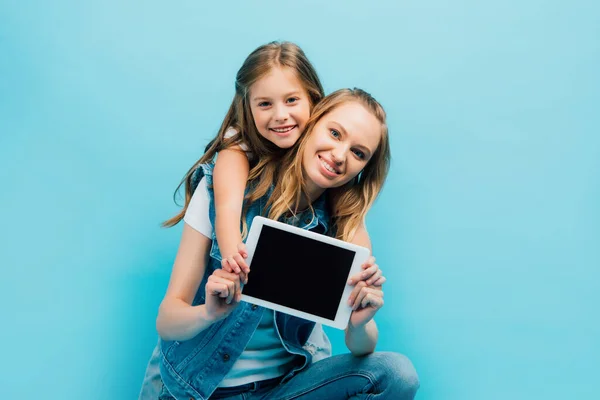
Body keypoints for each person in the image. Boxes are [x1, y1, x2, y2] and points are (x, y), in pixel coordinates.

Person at [139, 88, 419, 399]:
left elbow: (362, 345)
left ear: (365, 167)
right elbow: (166, 320)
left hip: (283, 390)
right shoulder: (229, 189)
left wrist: (360, 323)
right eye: (335, 133)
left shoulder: (347, 229)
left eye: (358, 153)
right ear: (311, 124)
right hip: (194, 389)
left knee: (398, 373)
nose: (339, 155)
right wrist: (209, 312)